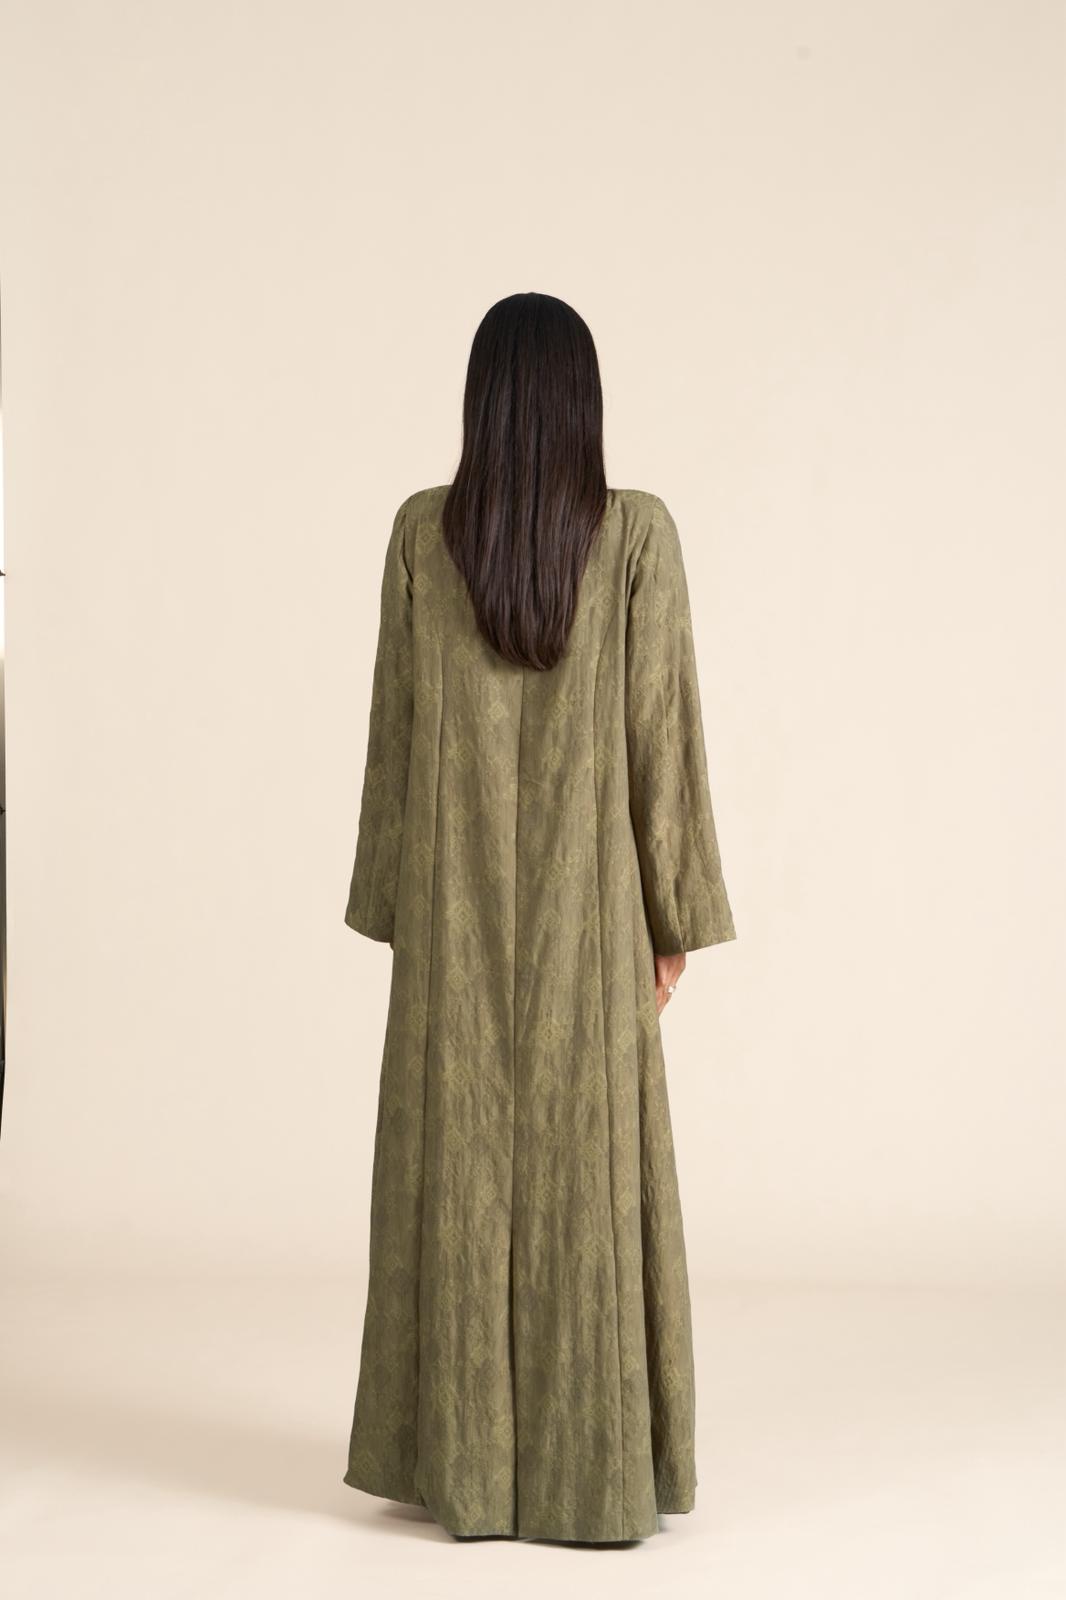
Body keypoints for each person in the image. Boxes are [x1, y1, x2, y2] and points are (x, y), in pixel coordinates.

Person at [340, 292, 737, 1545]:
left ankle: (465, 1469)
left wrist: (400, 909)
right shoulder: (635, 535)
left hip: (452, 932)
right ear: (581, 403)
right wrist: (670, 916)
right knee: (587, 1186)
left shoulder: (421, 534)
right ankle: (588, 1473)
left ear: (482, 402)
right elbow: (660, 738)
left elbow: (397, 742)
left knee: (456, 1177)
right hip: (588, 927)